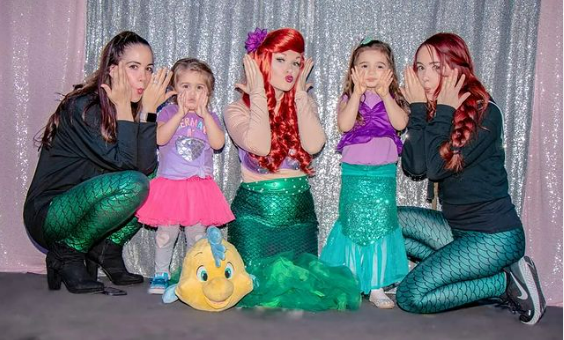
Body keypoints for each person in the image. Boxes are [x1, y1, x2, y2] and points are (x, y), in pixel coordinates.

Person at [396, 32, 546, 325]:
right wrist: (417, 111)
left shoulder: (486, 112)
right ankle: (472, 274)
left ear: (456, 68)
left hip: (495, 239)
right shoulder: (434, 111)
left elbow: (438, 169)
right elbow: (413, 168)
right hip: (457, 232)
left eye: (435, 67)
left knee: (411, 296)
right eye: (420, 67)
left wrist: (441, 112)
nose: (425, 76)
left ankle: (504, 284)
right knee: (387, 223)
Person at [23, 31, 173, 294]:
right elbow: (126, 167)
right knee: (134, 183)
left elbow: (147, 168)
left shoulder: (130, 108)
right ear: (112, 70)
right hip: (49, 213)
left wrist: (148, 112)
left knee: (157, 179)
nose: (144, 77)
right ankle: (66, 253)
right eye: (134, 67)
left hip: (85, 206)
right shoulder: (85, 108)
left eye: (148, 69)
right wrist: (127, 107)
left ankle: (107, 249)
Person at [224, 28, 360, 311]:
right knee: (257, 296)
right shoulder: (236, 110)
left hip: (299, 215)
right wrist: (259, 94)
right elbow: (259, 146)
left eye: (296, 63)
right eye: (281, 60)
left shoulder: (303, 103)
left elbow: (314, 145)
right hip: (254, 218)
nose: (291, 69)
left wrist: (300, 99)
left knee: (302, 299)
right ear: (262, 62)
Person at [320, 38, 410, 309]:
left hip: (382, 176)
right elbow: (344, 125)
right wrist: (357, 94)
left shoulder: (395, 97)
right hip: (354, 175)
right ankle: (351, 280)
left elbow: (400, 123)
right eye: (364, 66)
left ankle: (376, 285)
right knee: (353, 225)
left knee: (380, 227)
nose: (372, 72)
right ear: (353, 70)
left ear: (390, 71)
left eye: (379, 66)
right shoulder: (349, 98)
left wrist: (385, 95)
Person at [136, 58, 234, 294]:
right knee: (165, 235)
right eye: (185, 86)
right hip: (171, 187)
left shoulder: (211, 117)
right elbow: (159, 139)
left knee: (197, 237)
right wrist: (179, 114)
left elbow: (218, 143)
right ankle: (161, 273)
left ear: (208, 93)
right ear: (174, 90)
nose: (192, 92)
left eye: (199, 87)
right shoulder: (167, 112)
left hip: (199, 188)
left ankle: (192, 275)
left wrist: (206, 116)